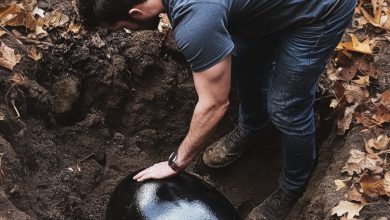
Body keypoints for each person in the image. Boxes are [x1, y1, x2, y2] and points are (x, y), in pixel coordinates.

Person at [78, 0, 356, 218]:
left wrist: (176, 162)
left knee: (286, 108)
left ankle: (292, 187)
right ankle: (253, 127)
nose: (130, 32)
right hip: (262, 10)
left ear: (136, 12)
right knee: (246, 60)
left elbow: (214, 104)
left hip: (320, 10)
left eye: (123, 27)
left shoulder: (195, 21)